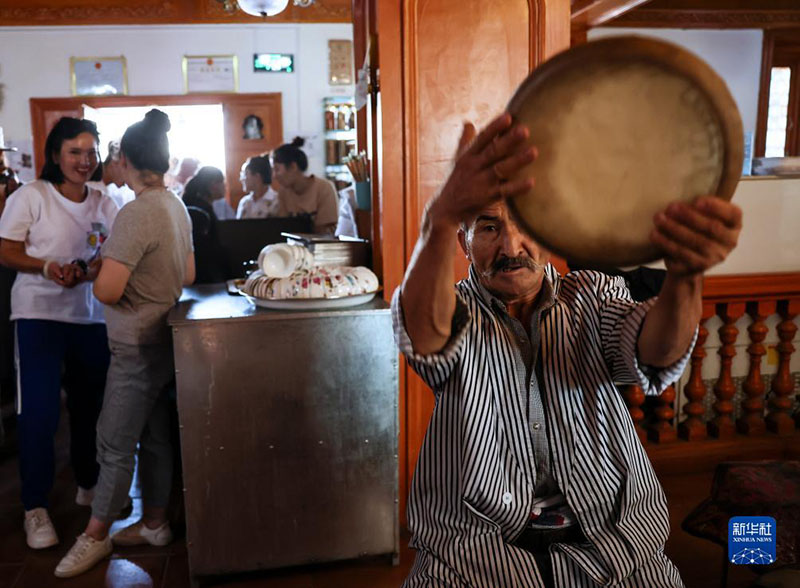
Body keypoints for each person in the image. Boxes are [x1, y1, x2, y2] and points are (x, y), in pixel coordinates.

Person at [393, 113, 743, 588]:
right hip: (474, 555)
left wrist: (686, 274)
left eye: (526, 225)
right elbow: (425, 332)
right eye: (489, 228)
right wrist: (438, 218)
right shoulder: (453, 308)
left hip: (615, 545)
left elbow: (656, 355)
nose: (510, 245)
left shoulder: (594, 294)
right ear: (464, 241)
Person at [55, 109, 194, 578]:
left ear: (124, 158)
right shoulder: (174, 203)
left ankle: (95, 535)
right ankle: (154, 522)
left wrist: (106, 273)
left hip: (135, 344)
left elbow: (108, 292)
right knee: (153, 437)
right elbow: (187, 273)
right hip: (164, 338)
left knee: (113, 441)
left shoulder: (136, 213)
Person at [0, 117, 118, 551]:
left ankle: (88, 483)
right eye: (75, 152)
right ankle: (35, 507)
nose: (85, 161)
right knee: (40, 414)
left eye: (91, 152)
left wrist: (89, 270)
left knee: (91, 410)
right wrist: (48, 267)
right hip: (38, 317)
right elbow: (7, 249)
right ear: (55, 155)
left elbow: (111, 254)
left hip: (89, 318)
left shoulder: (105, 203)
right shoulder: (33, 195)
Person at [272, 137, 338, 234]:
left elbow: (326, 231)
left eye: (277, 169)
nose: (274, 176)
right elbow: (282, 228)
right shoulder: (283, 192)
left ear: (293, 167)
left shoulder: (324, 188)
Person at [183, 166, 228, 283]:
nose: (225, 186)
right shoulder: (204, 210)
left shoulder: (191, 204)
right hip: (205, 274)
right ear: (213, 185)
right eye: (222, 182)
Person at [86, 140, 135, 210]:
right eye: (126, 168)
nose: (128, 178)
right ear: (115, 162)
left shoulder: (113, 193)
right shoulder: (90, 187)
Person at [236, 154, 279, 219]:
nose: (241, 179)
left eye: (244, 174)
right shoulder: (244, 202)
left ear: (257, 176)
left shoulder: (277, 201)